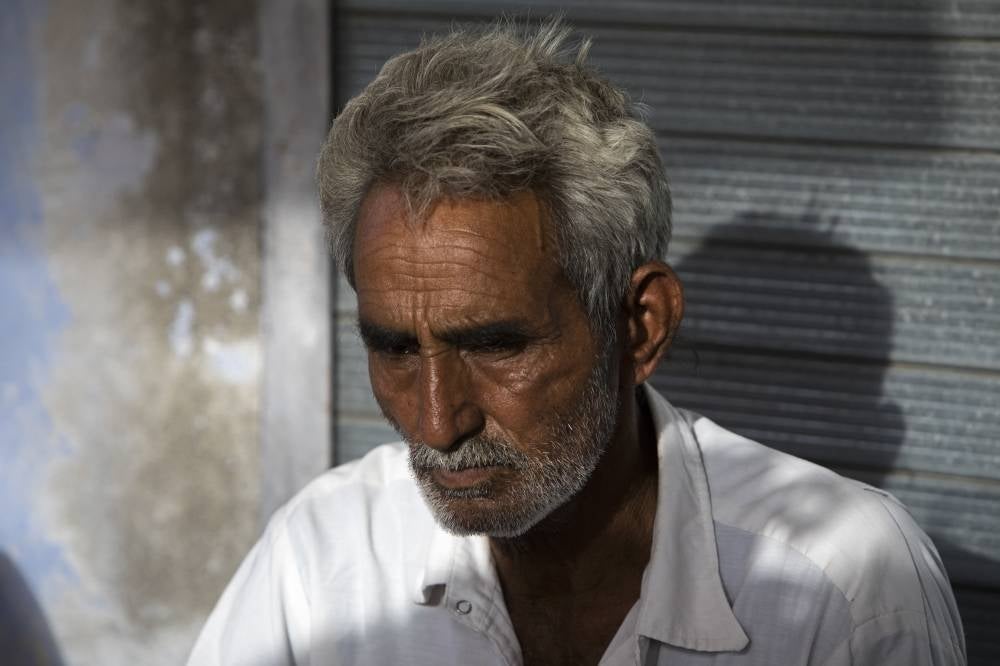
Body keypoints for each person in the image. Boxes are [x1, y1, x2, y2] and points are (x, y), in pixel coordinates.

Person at [187, 20, 966, 666]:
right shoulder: (322, 559)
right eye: (393, 349)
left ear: (641, 326)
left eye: (495, 346)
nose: (435, 423)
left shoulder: (845, 588)